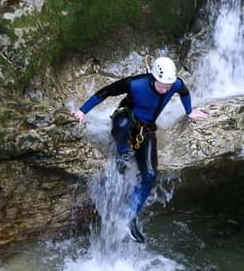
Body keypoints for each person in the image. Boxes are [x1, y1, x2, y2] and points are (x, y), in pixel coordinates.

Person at [72, 57, 208, 243]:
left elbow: (184, 93)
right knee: (124, 124)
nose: (166, 89)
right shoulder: (136, 84)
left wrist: (190, 111)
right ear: (153, 78)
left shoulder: (175, 84)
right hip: (125, 116)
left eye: (168, 85)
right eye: (162, 85)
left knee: (150, 174)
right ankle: (122, 153)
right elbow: (105, 92)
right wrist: (82, 111)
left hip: (146, 127)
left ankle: (129, 217)